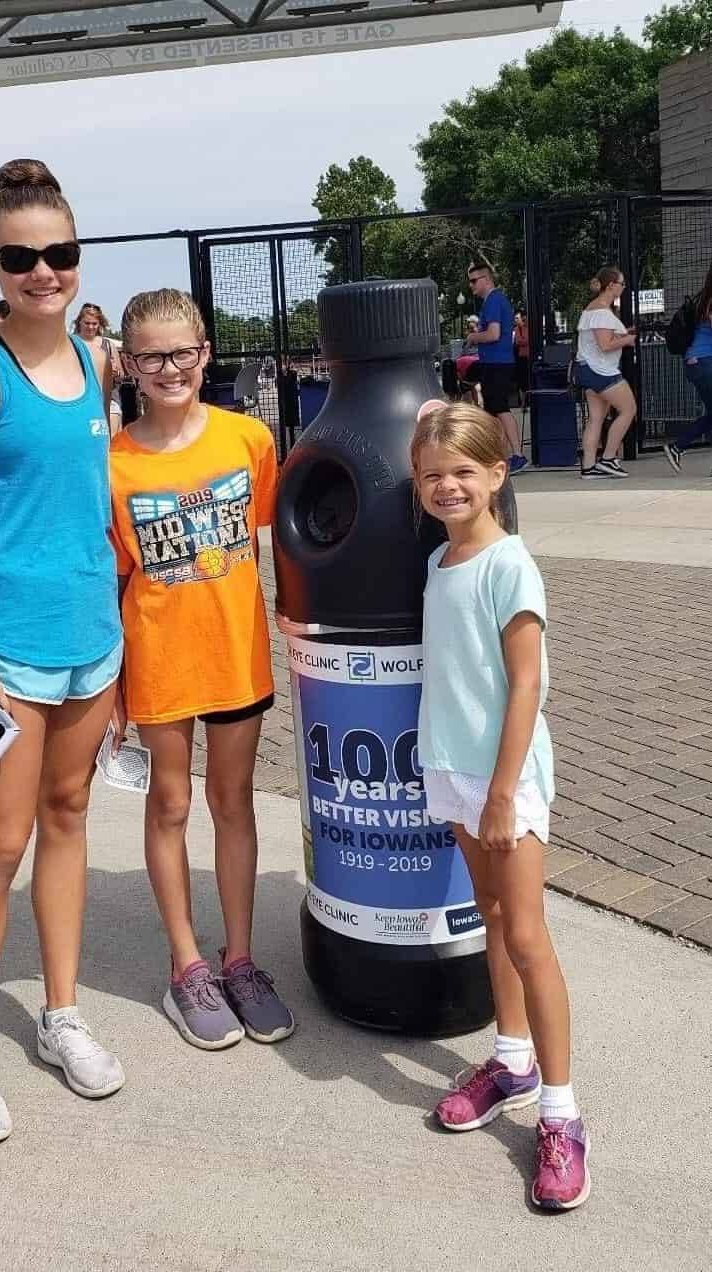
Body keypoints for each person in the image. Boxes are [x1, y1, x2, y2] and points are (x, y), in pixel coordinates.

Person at [0, 158, 125, 1146]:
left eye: (59, 253)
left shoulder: (98, 363)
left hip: (94, 643)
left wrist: (122, 638)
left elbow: (94, 506)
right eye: (22, 257)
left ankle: (60, 1015)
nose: (43, 271)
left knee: (68, 816)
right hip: (8, 655)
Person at [411, 401, 589, 1212]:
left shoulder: (509, 565)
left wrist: (502, 792)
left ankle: (561, 1113)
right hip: (451, 768)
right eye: (431, 474)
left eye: (463, 473)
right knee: (490, 916)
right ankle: (510, 1059)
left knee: (525, 935)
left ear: (497, 476)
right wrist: (438, 415)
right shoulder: (440, 562)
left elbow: (527, 684)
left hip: (502, 780)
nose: (447, 486)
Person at [109, 287, 294, 1052]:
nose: (170, 368)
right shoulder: (113, 463)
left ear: (206, 353)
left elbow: (275, 539)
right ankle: (187, 961)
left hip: (235, 655)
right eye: (152, 355)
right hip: (156, 661)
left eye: (183, 352)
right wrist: (113, 683)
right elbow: (112, 575)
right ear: (129, 364)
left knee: (233, 802)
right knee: (169, 808)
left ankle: (240, 958)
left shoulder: (248, 439)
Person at [573, 266, 637, 480]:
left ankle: (589, 467)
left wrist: (622, 333)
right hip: (601, 371)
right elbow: (605, 345)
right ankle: (609, 458)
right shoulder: (601, 311)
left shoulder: (593, 310)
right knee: (628, 409)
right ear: (611, 285)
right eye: (622, 284)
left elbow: (601, 340)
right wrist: (627, 340)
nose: (623, 287)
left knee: (596, 418)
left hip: (589, 370)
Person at [465, 264, 528, 473]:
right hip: (498, 362)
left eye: (474, 280)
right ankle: (497, 455)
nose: (471, 285)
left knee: (499, 408)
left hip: (496, 363)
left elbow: (493, 334)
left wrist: (474, 337)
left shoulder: (493, 301)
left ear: (486, 279)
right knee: (493, 411)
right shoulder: (496, 301)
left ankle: (517, 454)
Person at [664, 261, 712, 473]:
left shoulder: (704, 297)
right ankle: (678, 446)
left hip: (698, 363)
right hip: (704, 363)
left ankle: (678, 446)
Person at [74, 302, 122, 432]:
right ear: (79, 322)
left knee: (107, 437)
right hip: (78, 399)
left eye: (94, 324)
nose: (91, 327)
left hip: (109, 399)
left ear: (99, 324)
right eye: (87, 323)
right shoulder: (70, 343)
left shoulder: (108, 345)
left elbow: (121, 376)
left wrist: (114, 372)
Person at [514, 309, 530, 405]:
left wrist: (524, 341)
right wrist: (527, 341)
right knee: (522, 382)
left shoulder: (531, 328)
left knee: (529, 381)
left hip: (530, 358)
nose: (524, 322)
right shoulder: (518, 329)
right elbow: (518, 341)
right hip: (522, 358)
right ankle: (522, 402)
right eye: (523, 320)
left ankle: (527, 401)